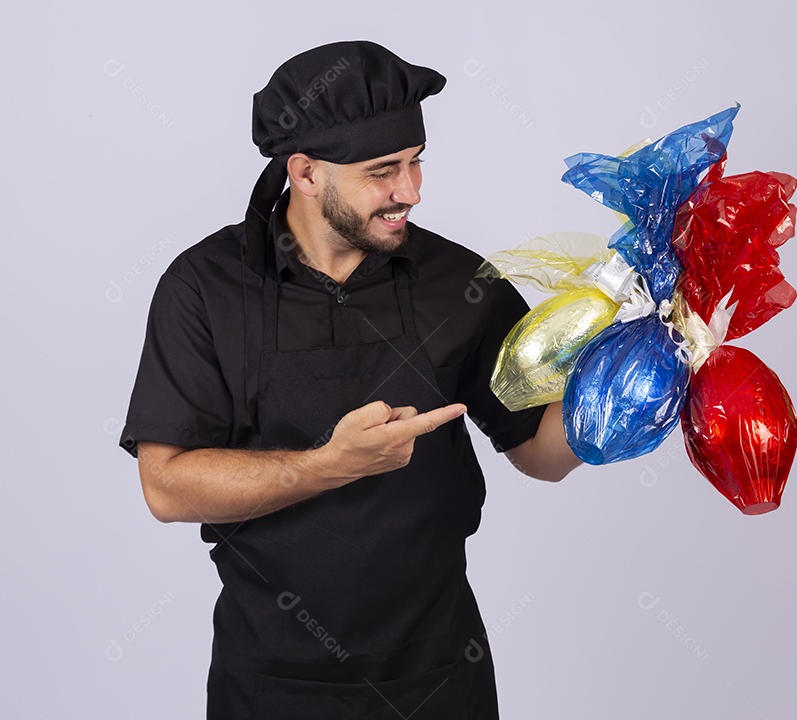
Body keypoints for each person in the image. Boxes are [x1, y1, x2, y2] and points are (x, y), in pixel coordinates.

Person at [119, 40, 582, 720]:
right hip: (271, 686)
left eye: (416, 161)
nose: (411, 191)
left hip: (439, 678)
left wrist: (615, 387)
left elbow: (541, 454)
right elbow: (165, 486)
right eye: (383, 171)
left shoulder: (460, 283)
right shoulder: (206, 288)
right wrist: (330, 465)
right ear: (305, 172)